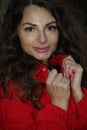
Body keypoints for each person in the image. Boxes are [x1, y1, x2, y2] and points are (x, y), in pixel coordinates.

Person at [0, 0, 87, 129]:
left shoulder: (70, 68)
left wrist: (78, 92)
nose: (42, 39)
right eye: (30, 29)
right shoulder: (9, 90)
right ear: (16, 33)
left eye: (50, 27)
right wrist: (58, 105)